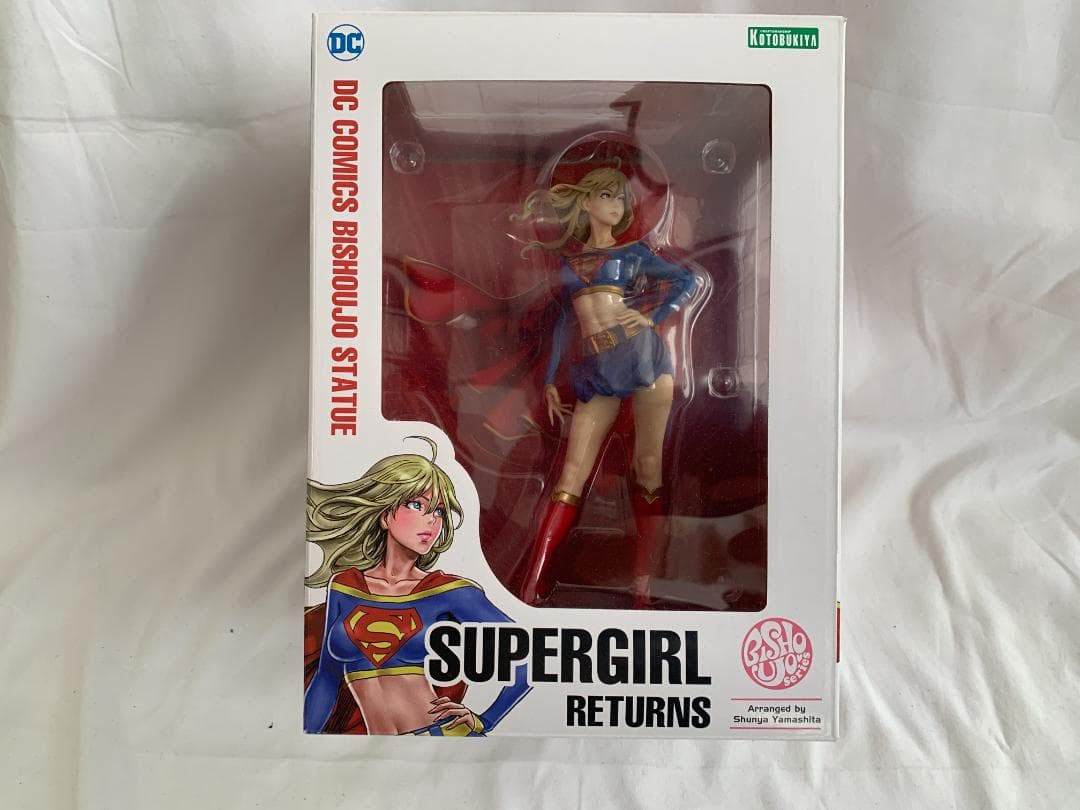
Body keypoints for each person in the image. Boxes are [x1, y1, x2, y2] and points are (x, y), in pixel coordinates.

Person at [513, 166, 702, 607]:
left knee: (648, 466)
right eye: (607, 196)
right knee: (571, 474)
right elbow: (564, 321)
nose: (617, 206)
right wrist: (549, 379)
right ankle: (533, 582)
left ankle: (643, 589)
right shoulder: (569, 262)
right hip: (597, 366)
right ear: (586, 202)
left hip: (644, 359)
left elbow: (687, 281)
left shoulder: (634, 254)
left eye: (622, 199)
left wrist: (652, 317)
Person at [304, 437, 530, 735]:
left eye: (439, 511)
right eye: (416, 505)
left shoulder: (451, 592)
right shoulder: (345, 586)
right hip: (375, 747)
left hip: (441, 739)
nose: (432, 521)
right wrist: (306, 740)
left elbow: (527, 656)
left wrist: (485, 720)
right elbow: (326, 679)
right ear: (385, 515)